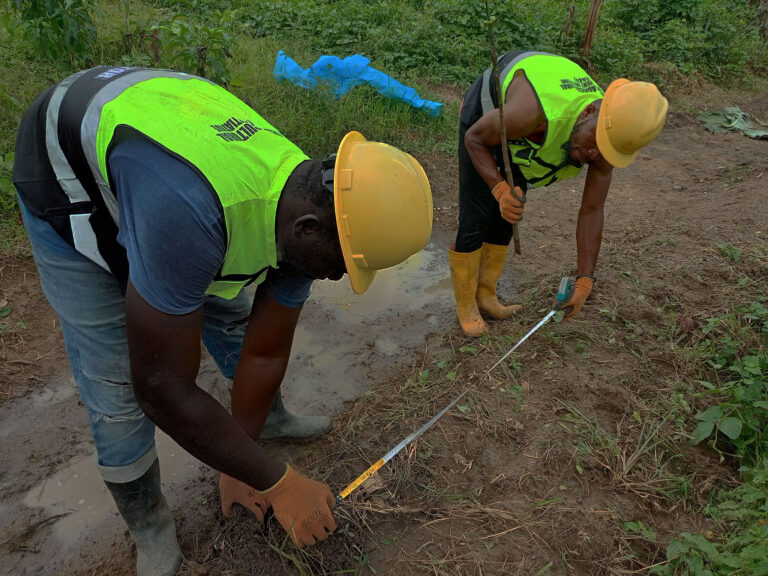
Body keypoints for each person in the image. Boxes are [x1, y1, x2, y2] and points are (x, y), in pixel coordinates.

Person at [12, 66, 433, 575]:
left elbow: (265, 349)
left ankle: (259, 425)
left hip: (161, 166)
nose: (337, 278)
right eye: (341, 266)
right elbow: (163, 389)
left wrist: (243, 464)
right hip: (66, 178)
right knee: (119, 386)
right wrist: (280, 483)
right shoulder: (193, 217)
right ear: (307, 229)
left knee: (231, 320)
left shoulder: (313, 206)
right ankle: (149, 526)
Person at [450, 50, 668, 336]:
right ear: (589, 112)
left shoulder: (610, 136)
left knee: (510, 212)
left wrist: (584, 282)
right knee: (478, 213)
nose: (593, 155)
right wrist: (499, 188)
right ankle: (466, 305)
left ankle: (486, 295)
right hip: (487, 115)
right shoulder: (529, 112)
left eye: (605, 151)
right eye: (595, 142)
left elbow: (592, 210)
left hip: (528, 129)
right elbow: (475, 139)